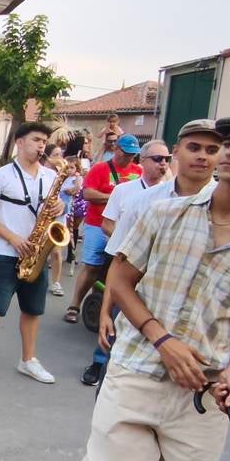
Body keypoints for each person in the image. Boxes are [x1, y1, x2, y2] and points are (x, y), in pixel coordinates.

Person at [68, 113, 230, 461]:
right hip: (138, 370)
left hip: (203, 395)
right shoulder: (163, 212)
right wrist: (161, 339)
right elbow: (121, 278)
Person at [84, 122, 222, 388]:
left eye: (212, 149)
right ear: (179, 151)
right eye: (194, 148)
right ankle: (99, 363)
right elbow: (117, 262)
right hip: (136, 305)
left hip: (195, 336)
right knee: (115, 348)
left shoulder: (226, 205)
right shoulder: (142, 201)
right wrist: (104, 311)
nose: (203, 156)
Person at [0, 122, 65, 384]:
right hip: (7, 251)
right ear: (20, 143)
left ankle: (28, 360)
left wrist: (60, 208)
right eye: (36, 140)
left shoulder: (51, 176)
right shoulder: (2, 175)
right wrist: (12, 237)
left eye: (44, 140)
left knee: (33, 310)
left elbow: (54, 209)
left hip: (36, 251)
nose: (41, 145)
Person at [65, 134, 143, 324]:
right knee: (92, 266)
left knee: (121, 269)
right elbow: (88, 193)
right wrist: (116, 198)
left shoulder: (138, 171)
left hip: (126, 226)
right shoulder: (100, 168)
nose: (129, 158)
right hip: (97, 224)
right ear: (116, 149)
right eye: (126, 154)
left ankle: (104, 307)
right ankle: (74, 305)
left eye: (133, 155)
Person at [42, 143, 67, 297]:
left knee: (57, 251)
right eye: (56, 155)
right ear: (47, 157)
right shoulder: (42, 174)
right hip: (42, 216)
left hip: (58, 215)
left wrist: (62, 205)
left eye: (61, 155)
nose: (60, 158)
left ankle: (56, 282)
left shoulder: (61, 173)